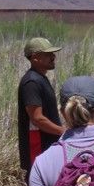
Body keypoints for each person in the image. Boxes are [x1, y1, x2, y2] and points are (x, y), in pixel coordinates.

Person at [18, 37, 65, 178]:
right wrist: (64, 132)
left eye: (53, 53)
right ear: (34, 58)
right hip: (36, 145)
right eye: (47, 54)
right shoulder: (32, 82)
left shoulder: (40, 78)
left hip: (47, 146)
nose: (53, 57)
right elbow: (37, 118)